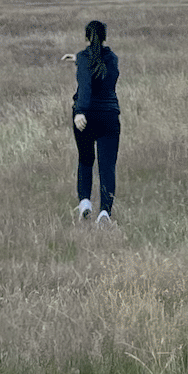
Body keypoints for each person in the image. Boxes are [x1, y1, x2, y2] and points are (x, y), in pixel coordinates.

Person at [65, 18, 121, 224]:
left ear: (86, 37)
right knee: (107, 166)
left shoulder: (84, 57)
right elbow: (100, 69)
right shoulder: (113, 58)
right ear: (105, 37)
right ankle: (105, 212)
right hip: (109, 116)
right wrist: (79, 60)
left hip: (85, 116)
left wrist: (80, 110)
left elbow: (86, 84)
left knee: (85, 160)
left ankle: (85, 203)